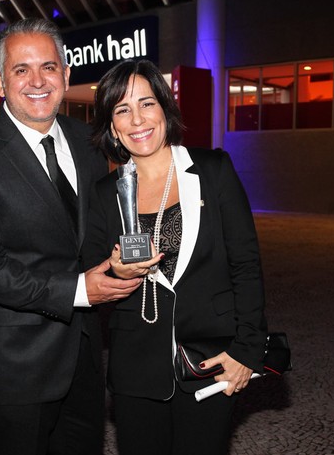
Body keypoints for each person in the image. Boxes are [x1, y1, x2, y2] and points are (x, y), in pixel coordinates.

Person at [0, 19, 142, 455]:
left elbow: (86, 232)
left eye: (48, 67)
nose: (36, 81)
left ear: (66, 75)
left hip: (84, 356)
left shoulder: (86, 142)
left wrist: (120, 257)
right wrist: (79, 290)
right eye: (21, 69)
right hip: (14, 365)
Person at [81, 59, 269, 455]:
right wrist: (116, 271)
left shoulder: (213, 170)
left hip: (211, 359)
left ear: (165, 108)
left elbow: (246, 265)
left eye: (146, 104)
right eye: (122, 110)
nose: (137, 120)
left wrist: (247, 352)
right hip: (137, 368)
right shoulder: (103, 193)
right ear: (112, 126)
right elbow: (93, 277)